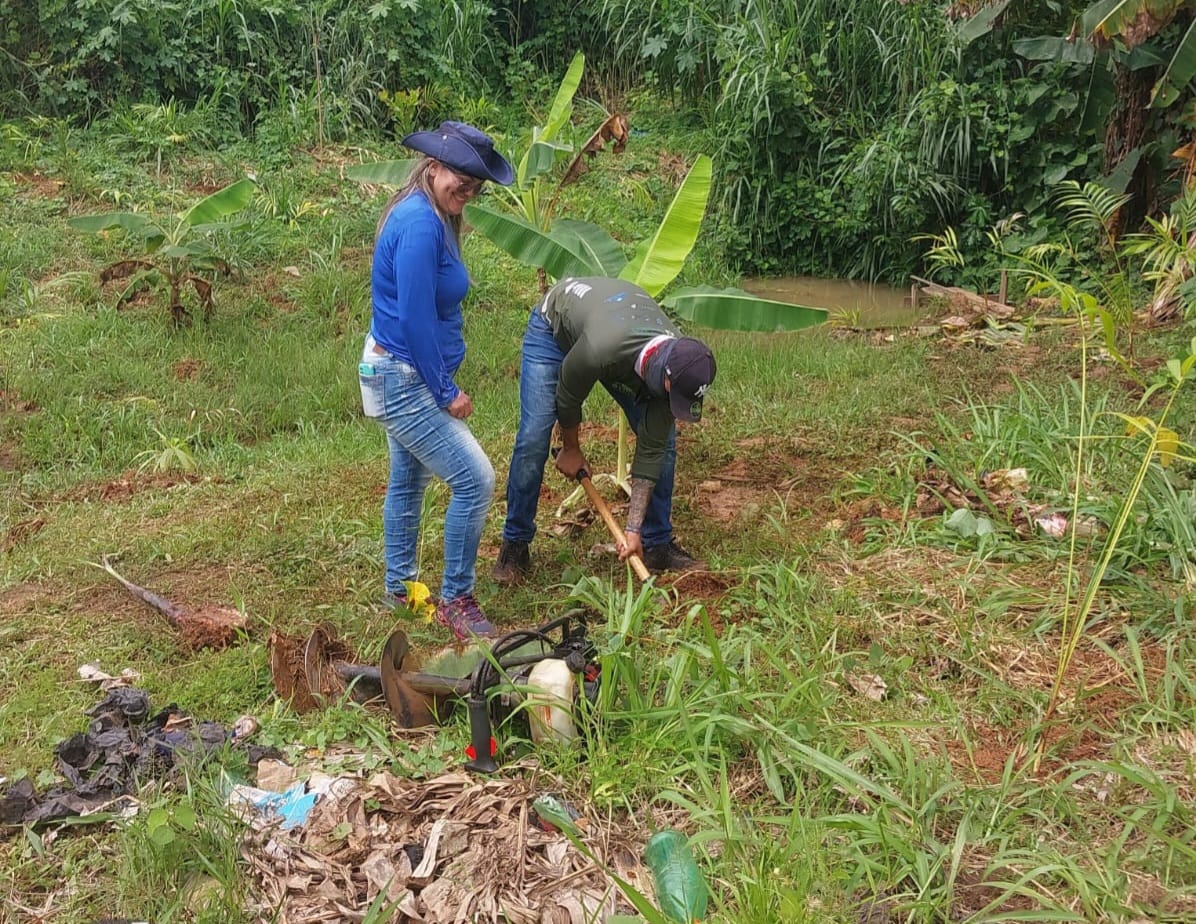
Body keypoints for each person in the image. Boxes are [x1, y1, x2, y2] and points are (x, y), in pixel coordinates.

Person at [358, 120, 513, 639]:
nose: (466, 192)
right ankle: (457, 599)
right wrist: (446, 392)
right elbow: (415, 321)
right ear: (433, 166)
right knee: (476, 480)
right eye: (459, 180)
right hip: (405, 377)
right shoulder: (422, 225)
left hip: (399, 369)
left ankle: (398, 589)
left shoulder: (432, 213)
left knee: (408, 479)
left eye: (475, 185)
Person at [492, 276, 717, 584]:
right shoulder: (604, 348)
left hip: (616, 338)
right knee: (534, 437)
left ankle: (656, 543)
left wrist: (632, 529)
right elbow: (568, 395)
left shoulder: (679, 366)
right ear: (665, 378)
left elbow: (651, 450)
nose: (674, 404)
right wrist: (571, 448)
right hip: (555, 329)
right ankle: (515, 544)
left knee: (664, 443)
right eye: (674, 395)